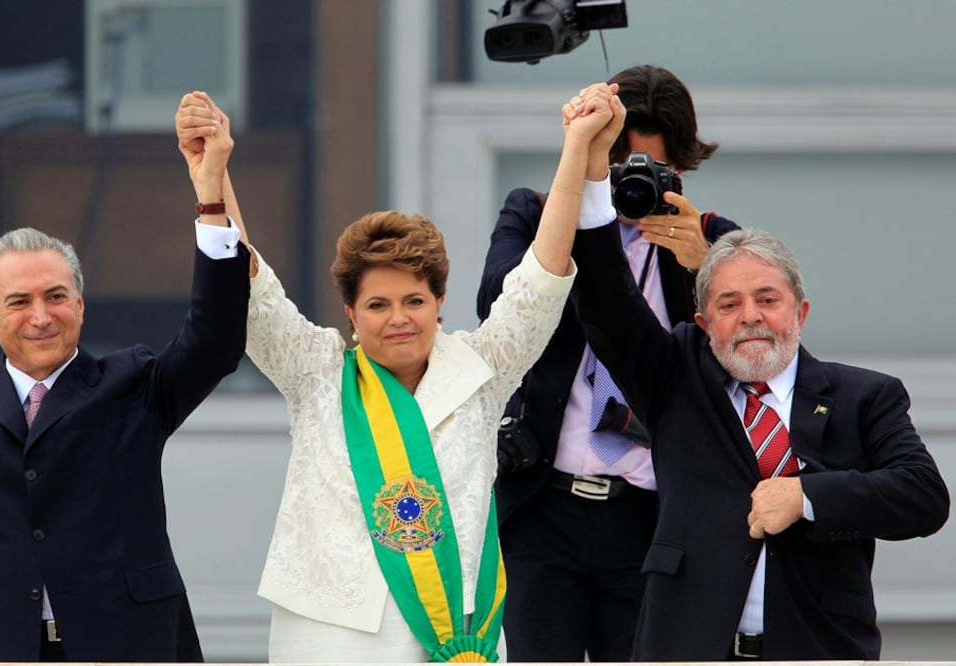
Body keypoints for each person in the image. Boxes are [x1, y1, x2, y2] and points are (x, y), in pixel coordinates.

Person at [175, 86, 624, 662]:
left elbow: (540, 280)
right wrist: (213, 182)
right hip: (330, 626)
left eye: (413, 301)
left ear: (439, 302)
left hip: (455, 629)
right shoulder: (317, 373)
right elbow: (252, 290)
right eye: (378, 305)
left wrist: (576, 148)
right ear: (351, 315)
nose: (398, 320)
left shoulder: (482, 372)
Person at [0, 92, 250, 661]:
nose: (41, 316)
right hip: (1, 647)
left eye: (56, 296)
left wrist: (210, 195)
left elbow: (216, 339)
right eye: (19, 301)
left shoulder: (135, 386)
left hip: (130, 644)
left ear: (81, 304)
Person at [570, 218, 949, 659]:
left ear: (800, 312)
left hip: (816, 649)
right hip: (685, 648)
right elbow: (605, 298)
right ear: (704, 323)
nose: (750, 315)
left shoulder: (864, 397)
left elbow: (924, 496)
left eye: (767, 299)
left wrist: (806, 496)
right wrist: (590, 177)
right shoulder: (674, 381)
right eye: (728, 305)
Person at [476, 64, 738, 662]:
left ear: (680, 168)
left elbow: (750, 356)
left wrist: (706, 265)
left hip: (650, 517)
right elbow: (495, 302)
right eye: (617, 171)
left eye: (649, 171)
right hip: (542, 507)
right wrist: (571, 217)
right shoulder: (537, 212)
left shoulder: (711, 239)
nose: (629, 189)